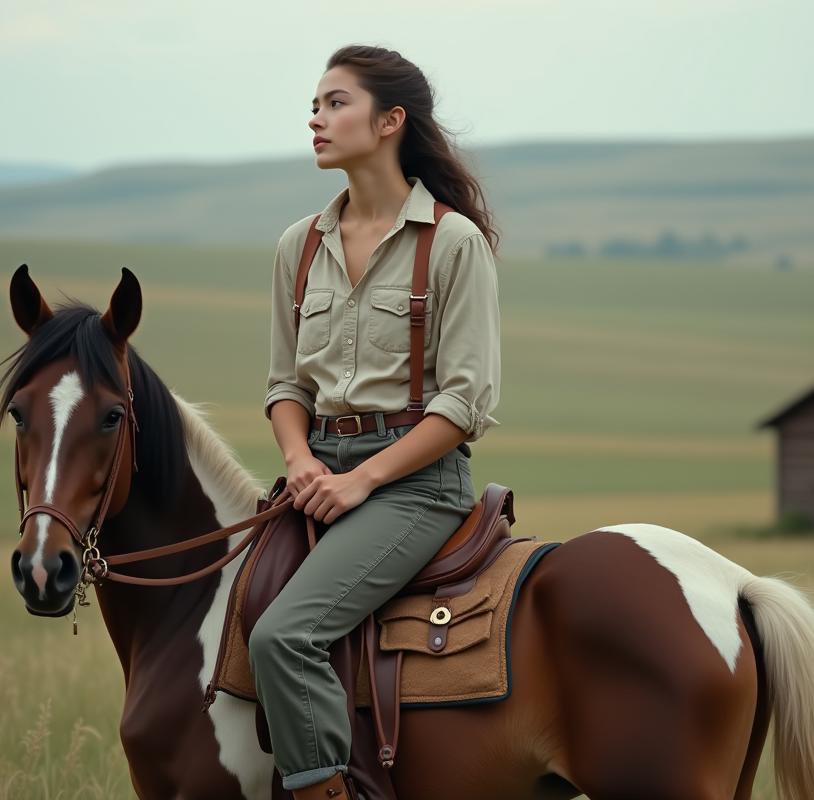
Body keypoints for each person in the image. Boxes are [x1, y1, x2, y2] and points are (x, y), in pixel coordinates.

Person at [249, 45, 502, 799]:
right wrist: (299, 459)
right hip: (316, 471)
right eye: (316, 104)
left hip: (415, 484)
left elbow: (463, 404)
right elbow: (286, 382)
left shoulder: (451, 242)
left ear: (390, 121)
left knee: (284, 636)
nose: (315, 118)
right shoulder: (300, 245)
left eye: (335, 103)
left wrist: (362, 479)